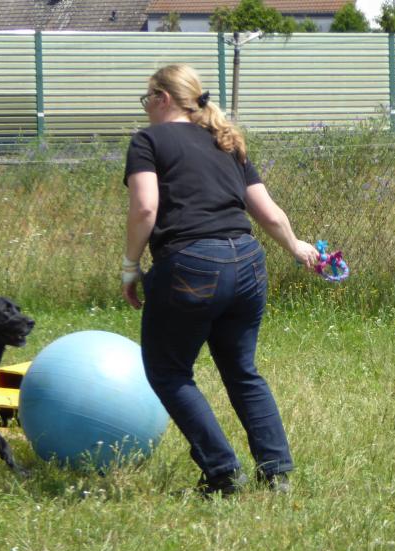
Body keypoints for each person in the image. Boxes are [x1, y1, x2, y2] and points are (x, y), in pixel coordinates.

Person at [121, 64, 319, 496]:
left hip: (190, 264)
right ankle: (277, 473)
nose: (146, 108)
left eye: (146, 99)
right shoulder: (225, 141)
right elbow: (267, 212)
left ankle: (223, 473)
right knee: (242, 370)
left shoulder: (147, 141)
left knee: (168, 372)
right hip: (248, 263)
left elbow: (145, 210)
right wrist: (295, 245)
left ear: (163, 98)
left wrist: (130, 266)